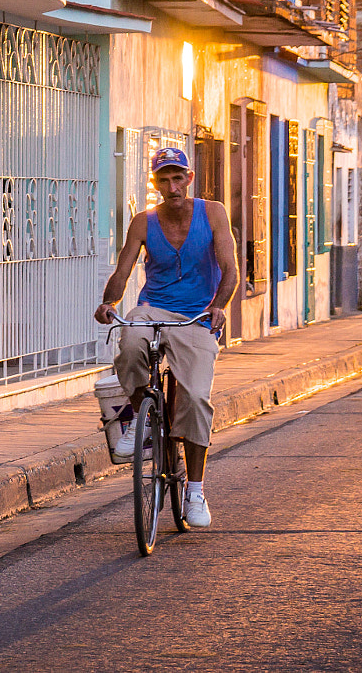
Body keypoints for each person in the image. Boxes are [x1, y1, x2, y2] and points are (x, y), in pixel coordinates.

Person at [96, 146, 239, 529]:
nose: (172, 186)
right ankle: (138, 418)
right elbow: (123, 269)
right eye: (164, 179)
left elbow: (230, 269)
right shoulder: (144, 222)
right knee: (127, 342)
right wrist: (109, 301)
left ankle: (195, 490)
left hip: (196, 316)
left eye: (179, 178)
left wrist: (218, 305)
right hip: (153, 308)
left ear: (189, 179)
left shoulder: (213, 213)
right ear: (155, 184)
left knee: (194, 398)